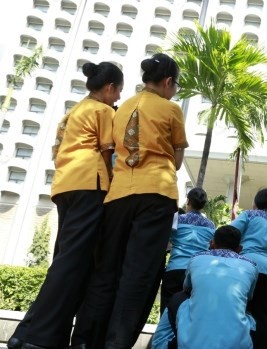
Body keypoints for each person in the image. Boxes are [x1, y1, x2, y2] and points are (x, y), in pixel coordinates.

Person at [71, 53, 188, 349]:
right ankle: (117, 343)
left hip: (118, 194)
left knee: (106, 269)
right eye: (175, 86)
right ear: (167, 82)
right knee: (140, 273)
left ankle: (85, 340)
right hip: (156, 194)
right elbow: (175, 160)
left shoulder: (119, 109)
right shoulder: (171, 109)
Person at [7, 62, 123, 349]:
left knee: (66, 259)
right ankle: (38, 336)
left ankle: (27, 332)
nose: (118, 98)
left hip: (65, 185)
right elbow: (109, 154)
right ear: (109, 87)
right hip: (89, 184)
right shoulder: (104, 111)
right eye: (118, 91)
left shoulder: (74, 111)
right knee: (72, 262)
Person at [151, 225, 259, 349]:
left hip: (190, 344)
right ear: (240, 249)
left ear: (211, 244)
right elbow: (249, 297)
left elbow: (187, 288)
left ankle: (159, 345)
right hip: (237, 345)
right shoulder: (251, 266)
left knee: (178, 297)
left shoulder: (197, 258)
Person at [231, 188, 267, 349]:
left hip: (247, 266)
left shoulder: (249, 215)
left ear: (255, 203)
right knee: (261, 313)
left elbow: (231, 232)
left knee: (241, 308)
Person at [160, 188, 215, 314]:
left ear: (188, 201)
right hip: (197, 272)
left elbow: (165, 239)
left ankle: (164, 333)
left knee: (167, 312)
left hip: (174, 269)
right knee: (191, 313)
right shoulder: (211, 225)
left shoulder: (177, 220)